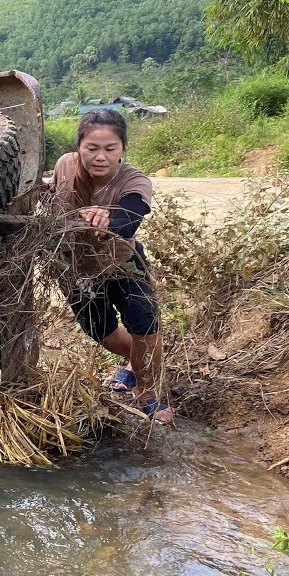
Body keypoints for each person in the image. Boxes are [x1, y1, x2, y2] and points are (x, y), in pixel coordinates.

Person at [49, 109, 174, 424]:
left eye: (110, 149)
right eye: (92, 148)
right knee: (101, 332)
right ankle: (137, 362)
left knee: (145, 325)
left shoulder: (133, 180)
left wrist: (109, 220)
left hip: (122, 261)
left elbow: (130, 219)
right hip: (76, 268)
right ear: (79, 146)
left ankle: (146, 393)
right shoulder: (65, 165)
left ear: (122, 149)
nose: (100, 157)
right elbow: (55, 191)